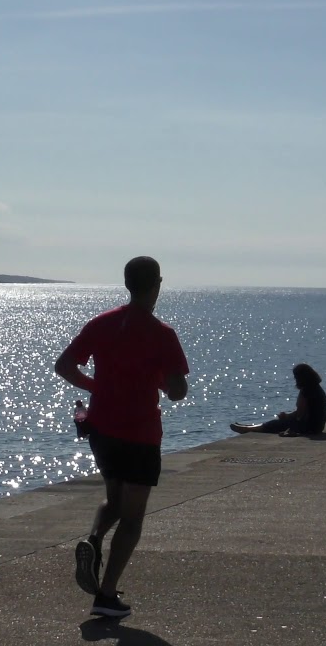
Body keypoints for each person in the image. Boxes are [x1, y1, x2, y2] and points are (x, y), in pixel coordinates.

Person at [54, 256, 190, 618]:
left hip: (101, 428)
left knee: (113, 498)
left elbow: (64, 366)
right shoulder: (162, 334)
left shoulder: (102, 324)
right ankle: (106, 595)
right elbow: (178, 391)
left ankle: (93, 540)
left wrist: (98, 386)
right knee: (132, 518)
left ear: (128, 283)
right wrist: (163, 379)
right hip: (140, 433)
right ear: (157, 284)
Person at [230, 363, 326, 437]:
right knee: (279, 422)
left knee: (276, 424)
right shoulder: (317, 388)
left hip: (308, 427)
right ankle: (250, 426)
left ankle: (247, 429)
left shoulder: (306, 391)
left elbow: (299, 414)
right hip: (318, 426)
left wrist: (286, 416)